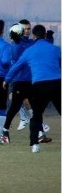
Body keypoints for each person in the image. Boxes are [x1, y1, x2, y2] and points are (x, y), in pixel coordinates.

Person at [4, 24, 61, 153]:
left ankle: (35, 144)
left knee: (37, 115)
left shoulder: (29, 51)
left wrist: (7, 79)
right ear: (45, 35)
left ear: (34, 36)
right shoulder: (55, 49)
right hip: (57, 83)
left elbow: (16, 66)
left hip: (40, 85)